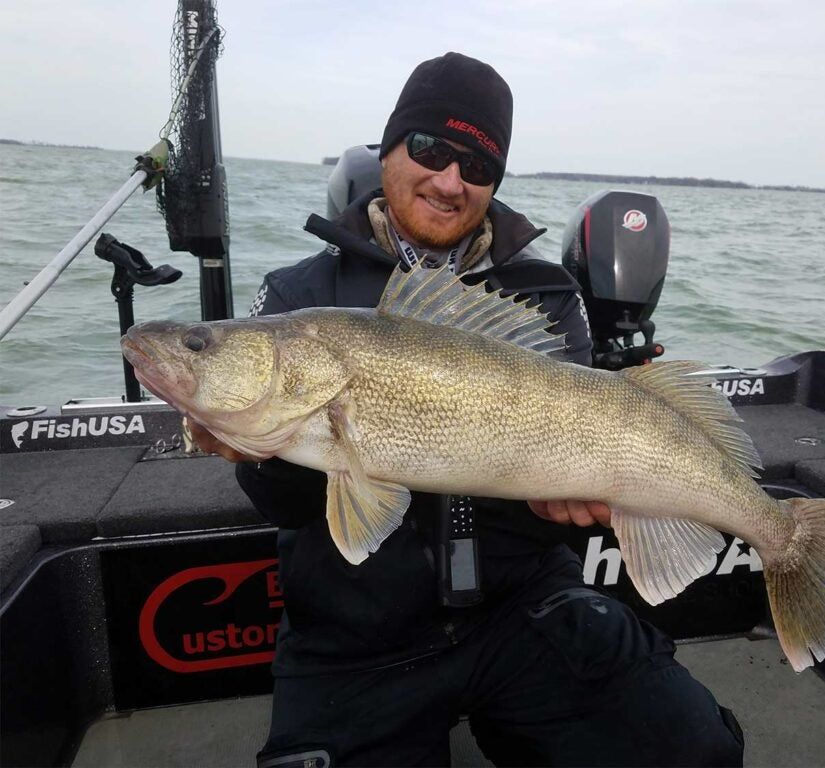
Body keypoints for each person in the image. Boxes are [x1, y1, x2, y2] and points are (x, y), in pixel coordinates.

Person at [192, 52, 743, 767]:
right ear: (389, 149)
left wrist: (577, 507)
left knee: (692, 752)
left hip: (524, 607)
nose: (450, 181)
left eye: (477, 166)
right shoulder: (300, 295)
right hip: (356, 633)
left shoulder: (546, 292)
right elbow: (284, 505)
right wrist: (257, 448)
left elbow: (568, 456)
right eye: (430, 149)